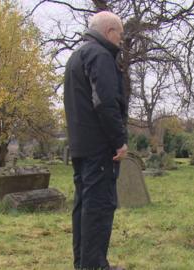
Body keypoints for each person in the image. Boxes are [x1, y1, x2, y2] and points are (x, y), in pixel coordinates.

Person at [63, 11, 128, 270]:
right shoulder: (100, 56)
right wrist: (119, 140)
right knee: (99, 208)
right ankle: (95, 266)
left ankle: (84, 264)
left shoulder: (76, 57)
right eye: (120, 35)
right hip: (100, 149)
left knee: (84, 209)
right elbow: (105, 102)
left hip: (81, 146)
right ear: (110, 31)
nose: (121, 41)